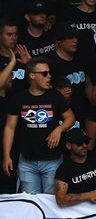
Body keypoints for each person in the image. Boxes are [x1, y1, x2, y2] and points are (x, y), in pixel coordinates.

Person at [2, 57, 75, 194]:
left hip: (52, 161)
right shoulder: (18, 98)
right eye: (44, 73)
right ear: (32, 75)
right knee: (31, 205)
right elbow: (9, 128)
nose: (49, 76)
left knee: (52, 204)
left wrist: (59, 129)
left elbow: (70, 117)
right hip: (27, 162)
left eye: (49, 73)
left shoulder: (55, 96)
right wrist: (6, 156)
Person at [54, 128, 96, 207]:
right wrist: (87, 195)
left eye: (86, 142)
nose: (84, 146)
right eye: (79, 143)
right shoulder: (64, 169)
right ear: (68, 145)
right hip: (79, 210)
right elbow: (60, 199)